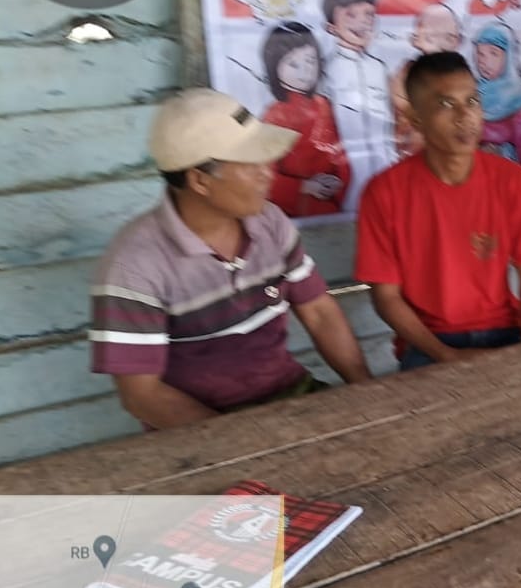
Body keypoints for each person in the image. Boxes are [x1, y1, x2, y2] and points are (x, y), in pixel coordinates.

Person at [89, 89, 372, 430]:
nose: (268, 173)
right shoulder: (134, 265)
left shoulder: (270, 222)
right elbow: (142, 396)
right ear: (200, 180)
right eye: (251, 164)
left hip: (290, 396)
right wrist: (245, 443)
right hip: (201, 429)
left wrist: (367, 395)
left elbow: (319, 312)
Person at [356, 52, 521, 369]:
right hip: (428, 343)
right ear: (415, 118)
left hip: (507, 332)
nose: (465, 116)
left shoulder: (512, 180)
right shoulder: (383, 193)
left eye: (472, 101)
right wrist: (447, 356)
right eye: (446, 104)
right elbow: (386, 297)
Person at [259, 21, 349, 217]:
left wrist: (338, 182)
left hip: (330, 204)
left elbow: (340, 154)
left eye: (310, 61)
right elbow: (265, 174)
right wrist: (304, 186)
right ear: (274, 66)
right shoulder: (274, 114)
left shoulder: (324, 105)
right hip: (293, 211)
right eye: (293, 64)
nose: (305, 71)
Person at [322, 0, 397, 212]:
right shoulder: (328, 68)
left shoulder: (378, 67)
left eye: (369, 15)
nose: (362, 22)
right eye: (350, 15)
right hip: (347, 163)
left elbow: (389, 115)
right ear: (331, 26)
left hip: (384, 158)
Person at [391, 3, 463, 158]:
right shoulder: (408, 70)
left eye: (451, 36)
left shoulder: (458, 73)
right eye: (429, 36)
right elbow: (400, 101)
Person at [472, 21, 521, 164]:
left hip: (504, 170)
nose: (484, 61)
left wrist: (502, 153)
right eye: (480, 54)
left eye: (493, 54)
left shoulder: (520, 98)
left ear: (509, 56)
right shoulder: (472, 91)